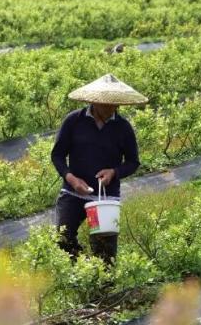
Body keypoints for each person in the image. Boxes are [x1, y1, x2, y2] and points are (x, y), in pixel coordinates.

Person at [51, 74, 148, 264]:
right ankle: (81, 270)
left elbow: (133, 162)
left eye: (115, 104)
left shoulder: (123, 127)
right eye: (106, 104)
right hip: (74, 193)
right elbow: (57, 155)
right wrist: (71, 179)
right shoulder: (74, 121)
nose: (111, 108)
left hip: (105, 199)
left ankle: (102, 287)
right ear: (94, 101)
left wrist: (114, 172)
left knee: (105, 251)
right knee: (62, 238)